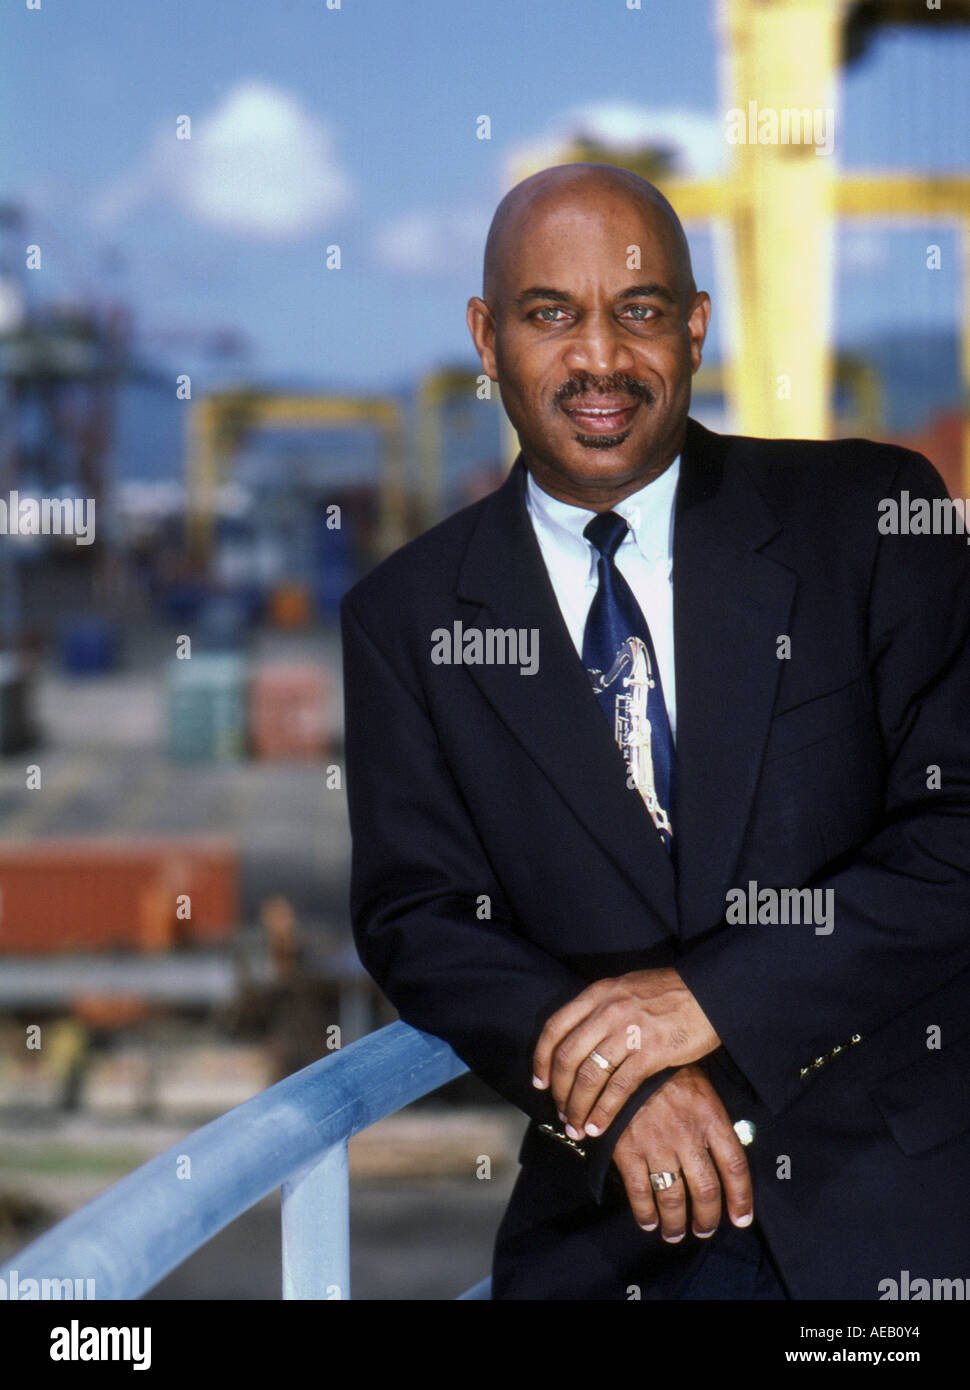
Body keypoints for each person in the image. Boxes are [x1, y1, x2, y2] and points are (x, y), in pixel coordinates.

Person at [340, 162, 970, 1300]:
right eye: (549, 316)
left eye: (637, 313)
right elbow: (419, 916)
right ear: (486, 338)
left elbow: (959, 830)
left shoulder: (875, 517)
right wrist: (614, 1080)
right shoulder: (405, 618)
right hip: (615, 1234)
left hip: (914, 1213)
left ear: (694, 328)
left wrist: (710, 1000)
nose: (598, 360)